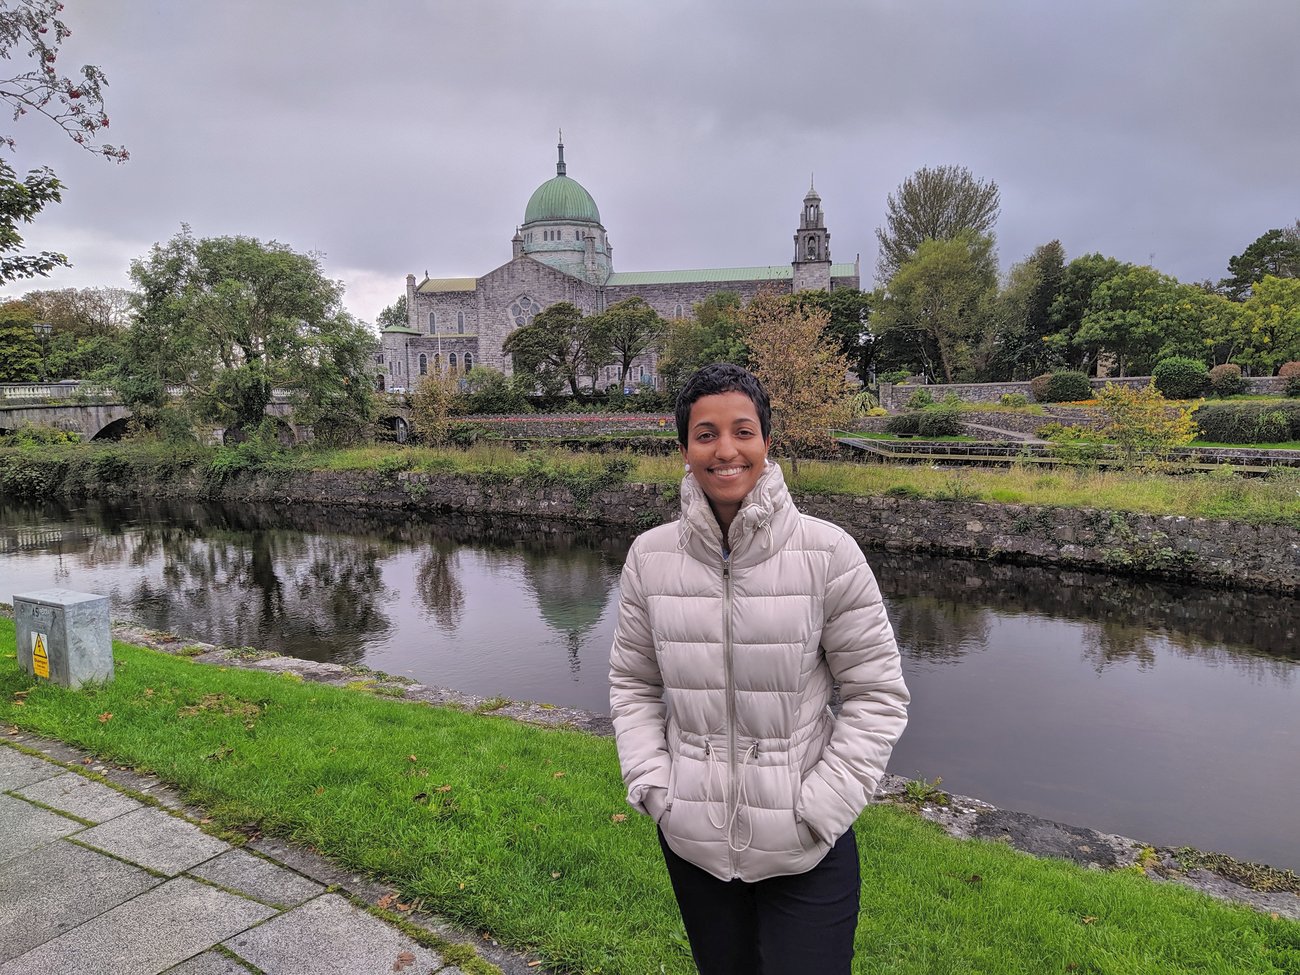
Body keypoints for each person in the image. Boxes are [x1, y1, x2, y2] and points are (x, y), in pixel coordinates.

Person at [609, 363, 910, 974]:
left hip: (806, 844)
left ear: (766, 442)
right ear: (684, 447)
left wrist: (822, 806)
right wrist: (658, 789)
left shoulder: (828, 555)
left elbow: (876, 694)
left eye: (743, 431)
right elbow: (634, 684)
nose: (726, 450)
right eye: (706, 434)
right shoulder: (651, 557)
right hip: (694, 839)